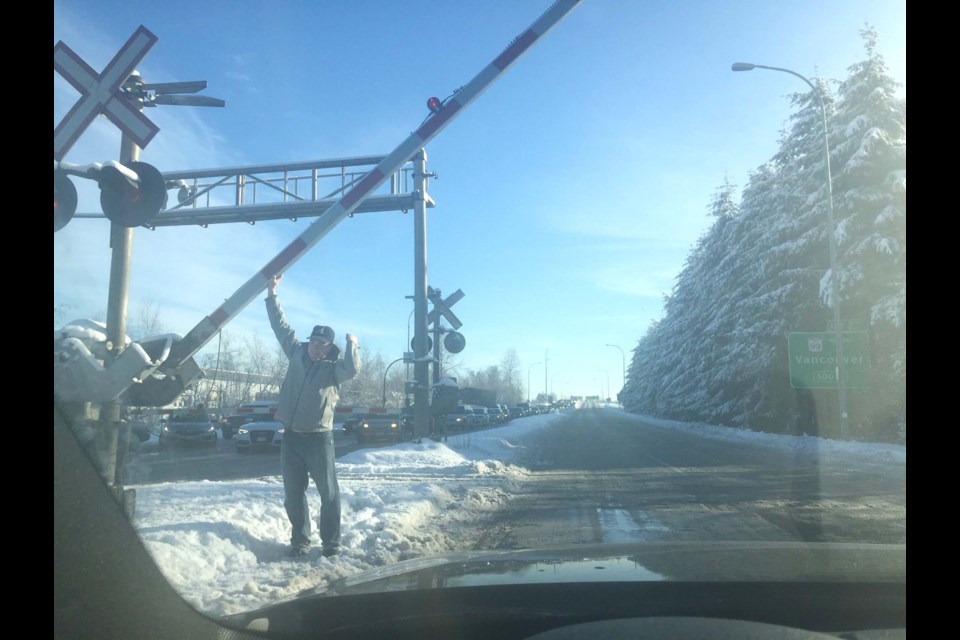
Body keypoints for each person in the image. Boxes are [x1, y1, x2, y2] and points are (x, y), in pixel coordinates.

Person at [265, 274, 360, 558]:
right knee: (293, 495)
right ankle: (300, 541)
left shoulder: (334, 369)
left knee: (328, 494)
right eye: (314, 342)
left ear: (330, 349)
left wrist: (353, 345)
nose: (316, 347)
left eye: (323, 345)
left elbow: (353, 370)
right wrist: (272, 294)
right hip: (291, 438)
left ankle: (331, 544)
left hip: (319, 439)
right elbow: (279, 325)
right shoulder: (295, 352)